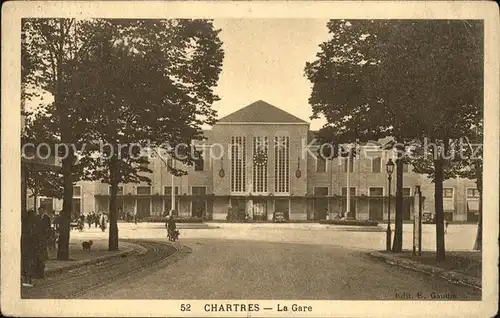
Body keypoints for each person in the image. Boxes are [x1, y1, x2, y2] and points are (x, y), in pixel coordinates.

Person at [21, 209, 37, 287]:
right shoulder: (30, 223)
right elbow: (32, 233)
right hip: (29, 245)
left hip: (26, 244)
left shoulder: (25, 221)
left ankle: (27, 278)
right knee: (29, 262)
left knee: (26, 261)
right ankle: (28, 278)